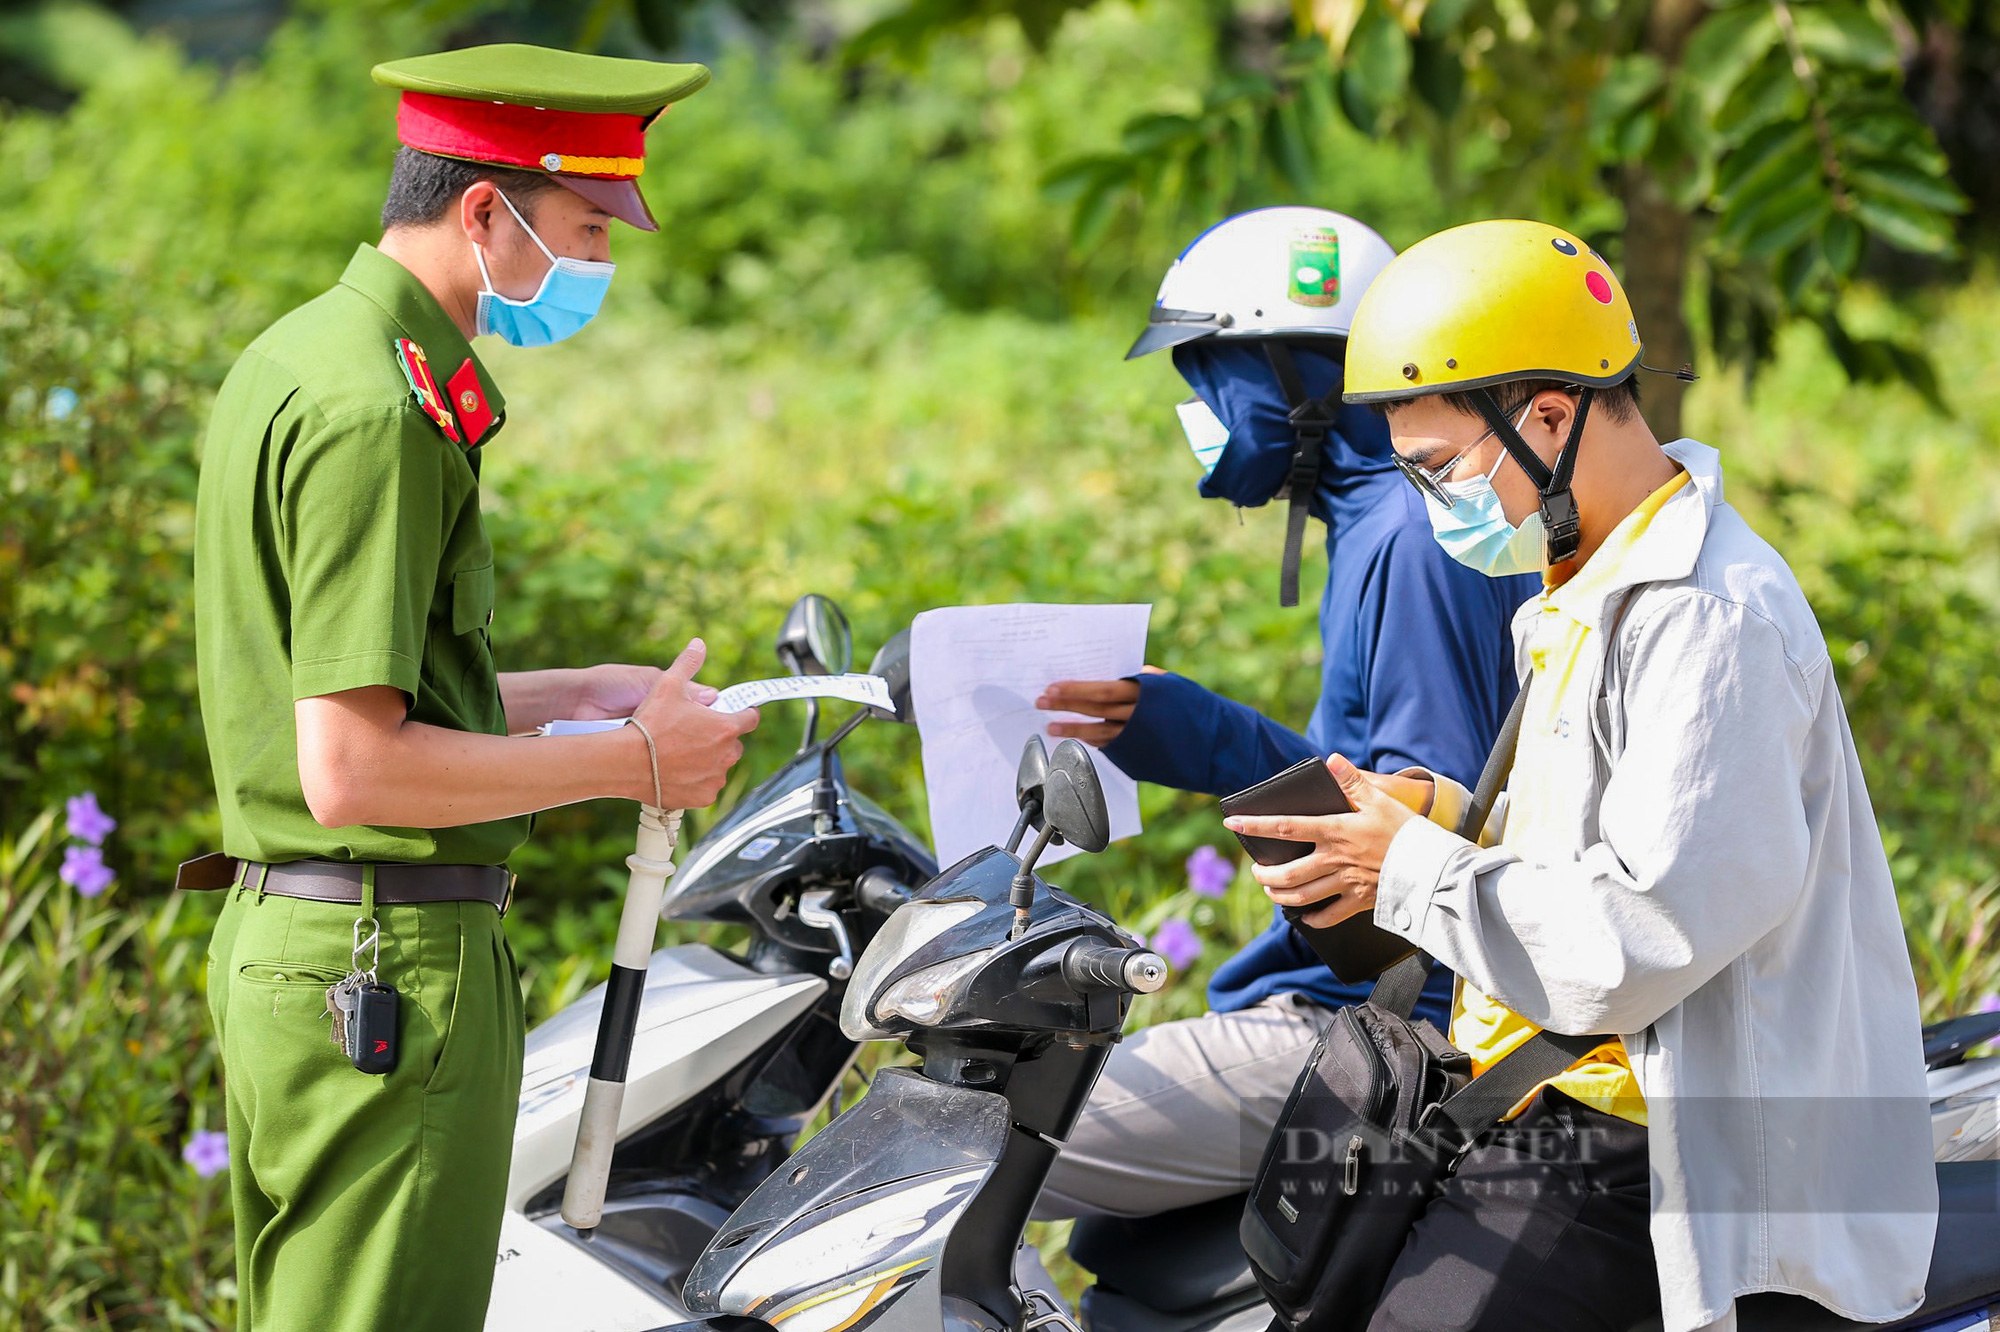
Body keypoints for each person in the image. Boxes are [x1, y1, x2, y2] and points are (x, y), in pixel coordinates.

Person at [1224, 218, 1937, 1332]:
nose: (1432, 505)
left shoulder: (1705, 620)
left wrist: (1409, 868)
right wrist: (1439, 817)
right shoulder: (1589, 585)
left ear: (1547, 417)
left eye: (1441, 468)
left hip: (1647, 1152)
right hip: (1538, 1105)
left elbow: (1636, 934)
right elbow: (1590, 844)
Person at [189, 44, 758, 1332]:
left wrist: (581, 696)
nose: (602, 266)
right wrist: (633, 764)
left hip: (332, 954)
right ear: (484, 212)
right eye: (584, 229)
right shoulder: (377, 415)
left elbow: (372, 697)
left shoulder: (309, 356)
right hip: (381, 962)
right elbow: (356, 772)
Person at [1028, 207, 1537, 1221]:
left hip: (1388, 1023)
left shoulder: (1406, 536)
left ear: (1303, 377)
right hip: (1355, 1002)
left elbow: (1407, 844)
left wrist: (1210, 741)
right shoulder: (1387, 520)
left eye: (1209, 377)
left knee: (981, 1148)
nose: (1196, 410)